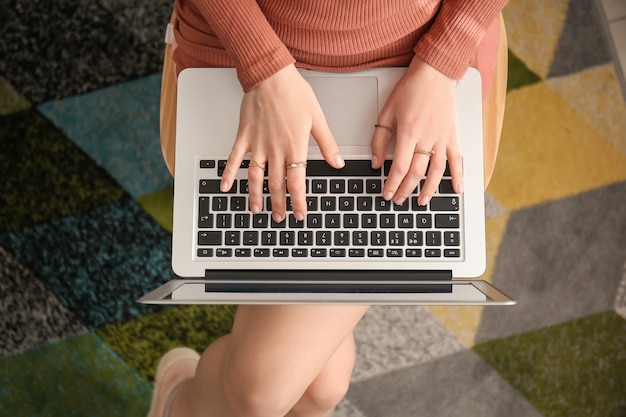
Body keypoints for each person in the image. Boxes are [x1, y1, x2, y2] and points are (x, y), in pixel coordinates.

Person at [149, 1, 508, 416]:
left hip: (420, 64)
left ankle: (183, 405)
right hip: (242, 47)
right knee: (286, 390)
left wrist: (443, 60)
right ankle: (183, 404)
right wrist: (263, 67)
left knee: (278, 390)